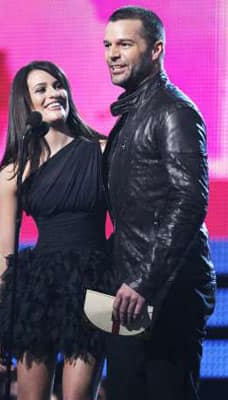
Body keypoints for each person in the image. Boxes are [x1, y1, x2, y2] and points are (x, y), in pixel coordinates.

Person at [103, 6, 216, 400]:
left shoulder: (174, 111)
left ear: (156, 50)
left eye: (124, 44)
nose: (112, 54)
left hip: (166, 295)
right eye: (108, 45)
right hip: (129, 294)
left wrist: (143, 282)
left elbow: (190, 199)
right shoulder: (134, 113)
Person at [0, 60, 110, 400]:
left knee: (77, 396)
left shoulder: (101, 152)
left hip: (92, 284)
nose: (54, 93)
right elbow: (3, 249)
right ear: (25, 104)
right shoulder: (14, 171)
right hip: (38, 289)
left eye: (58, 85)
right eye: (41, 89)